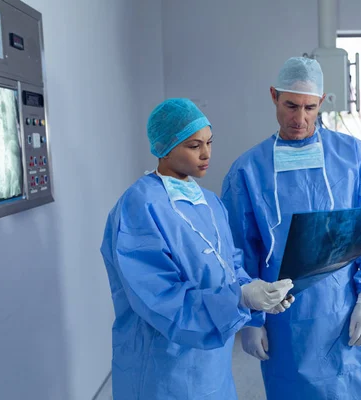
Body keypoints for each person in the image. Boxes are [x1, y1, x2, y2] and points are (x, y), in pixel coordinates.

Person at [221, 57, 361, 399]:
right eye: (290, 105)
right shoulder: (247, 171)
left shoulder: (355, 158)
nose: (299, 118)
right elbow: (238, 249)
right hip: (287, 318)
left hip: (347, 306)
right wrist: (251, 319)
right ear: (273, 96)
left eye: (309, 107)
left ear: (322, 102)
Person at [100, 98, 295, 400]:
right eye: (193, 146)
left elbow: (228, 262)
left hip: (211, 363)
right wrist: (238, 298)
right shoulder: (140, 207)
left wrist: (255, 294)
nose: (206, 154)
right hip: (162, 364)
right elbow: (159, 298)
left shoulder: (209, 202)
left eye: (209, 143)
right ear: (165, 147)